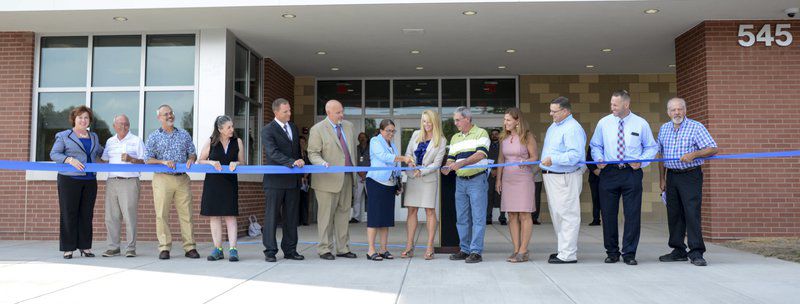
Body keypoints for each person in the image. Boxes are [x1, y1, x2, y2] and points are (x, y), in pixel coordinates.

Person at [590, 90, 659, 266]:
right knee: (608, 214)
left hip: (631, 173)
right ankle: (612, 252)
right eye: (611, 103)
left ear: (626, 105)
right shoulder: (603, 123)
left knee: (632, 214)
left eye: (615, 104)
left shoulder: (640, 123)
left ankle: (629, 253)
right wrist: (598, 158)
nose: (611, 107)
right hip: (609, 173)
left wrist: (642, 162)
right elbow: (595, 145)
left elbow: (651, 147)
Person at [657, 97, 718, 266]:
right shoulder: (664, 129)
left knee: (691, 213)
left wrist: (694, 154)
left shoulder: (696, 127)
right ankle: (678, 250)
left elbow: (713, 148)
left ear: (685, 110)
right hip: (672, 176)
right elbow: (660, 156)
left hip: (691, 175)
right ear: (668, 112)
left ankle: (697, 252)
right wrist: (662, 179)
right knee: (674, 214)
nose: (677, 112)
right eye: (673, 110)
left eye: (680, 109)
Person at [145, 104, 199, 260]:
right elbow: (148, 159)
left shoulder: (184, 134)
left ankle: (190, 247)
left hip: (182, 178)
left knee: (187, 214)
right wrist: (163, 162)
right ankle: (164, 248)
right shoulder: (154, 136)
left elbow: (192, 153)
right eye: (165, 114)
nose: (169, 116)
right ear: (159, 118)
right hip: (162, 178)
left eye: (171, 113)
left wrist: (190, 159)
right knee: (161, 214)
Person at [50, 106, 104, 259]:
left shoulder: (93, 136)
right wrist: (69, 159)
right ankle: (68, 248)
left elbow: (101, 152)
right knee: (69, 213)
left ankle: (85, 247)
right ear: (74, 119)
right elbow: (54, 154)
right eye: (80, 117)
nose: (83, 120)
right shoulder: (64, 136)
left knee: (86, 215)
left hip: (90, 180)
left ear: (90, 121)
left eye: (86, 117)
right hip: (69, 179)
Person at [307, 100, 358, 260]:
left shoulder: (349, 126)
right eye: (338, 113)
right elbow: (313, 153)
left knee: (344, 214)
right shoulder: (318, 129)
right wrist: (322, 163)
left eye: (342, 111)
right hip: (326, 180)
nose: (341, 115)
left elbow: (350, 152)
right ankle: (324, 249)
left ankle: (343, 248)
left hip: (347, 177)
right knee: (326, 217)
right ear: (328, 112)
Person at [441, 106, 490, 264]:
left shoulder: (481, 133)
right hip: (460, 182)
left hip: (477, 180)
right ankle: (464, 249)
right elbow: (451, 158)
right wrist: (448, 167)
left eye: (457, 120)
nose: (455, 123)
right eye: (455, 120)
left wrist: (461, 163)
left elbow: (480, 154)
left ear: (467, 119)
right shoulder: (455, 138)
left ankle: (476, 251)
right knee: (462, 218)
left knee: (478, 217)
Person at [540, 96, 586, 264]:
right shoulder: (555, 126)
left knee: (568, 215)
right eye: (551, 110)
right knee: (558, 215)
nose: (551, 113)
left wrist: (554, 159)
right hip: (552, 176)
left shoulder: (572, 128)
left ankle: (568, 255)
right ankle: (563, 250)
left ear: (566, 111)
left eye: (555, 111)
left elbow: (575, 155)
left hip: (565, 177)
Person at [261, 98, 305, 262]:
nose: (289, 113)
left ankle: (290, 250)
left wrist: (300, 168)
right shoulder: (267, 130)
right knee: (271, 217)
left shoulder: (293, 127)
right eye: (285, 111)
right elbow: (273, 153)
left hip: (293, 181)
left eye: (290, 110)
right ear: (276, 112)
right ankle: (270, 251)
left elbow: (297, 153)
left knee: (292, 217)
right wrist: (291, 162)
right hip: (275, 182)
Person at [364, 119, 415, 261]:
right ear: (381, 130)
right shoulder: (375, 141)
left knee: (386, 219)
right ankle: (371, 250)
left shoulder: (392, 144)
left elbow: (396, 164)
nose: (391, 133)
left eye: (393, 131)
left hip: (389, 184)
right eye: (388, 130)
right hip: (376, 182)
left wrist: (399, 182)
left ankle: (383, 249)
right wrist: (404, 158)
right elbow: (384, 157)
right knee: (374, 217)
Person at [401, 110, 447, 260]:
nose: (426, 125)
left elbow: (437, 164)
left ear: (435, 122)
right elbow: (408, 153)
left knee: (429, 211)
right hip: (413, 177)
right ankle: (409, 246)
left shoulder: (441, 140)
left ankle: (429, 247)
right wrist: (411, 163)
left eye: (429, 121)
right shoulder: (415, 135)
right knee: (411, 211)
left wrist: (422, 171)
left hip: (428, 179)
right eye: (424, 121)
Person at [495, 108, 539, 263]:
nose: (505, 123)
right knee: (511, 214)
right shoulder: (503, 138)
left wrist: (525, 161)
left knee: (524, 214)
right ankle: (515, 249)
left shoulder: (527, 137)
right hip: (508, 179)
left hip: (523, 178)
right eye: (504, 120)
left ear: (517, 121)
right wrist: (498, 180)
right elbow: (501, 159)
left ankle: (524, 250)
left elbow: (534, 157)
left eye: (508, 120)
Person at [199, 115, 245, 262]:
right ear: (220, 129)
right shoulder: (211, 142)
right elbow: (200, 160)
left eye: (232, 126)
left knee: (230, 216)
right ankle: (217, 249)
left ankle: (233, 250)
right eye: (229, 127)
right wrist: (211, 162)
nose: (232, 129)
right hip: (213, 183)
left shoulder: (237, 141)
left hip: (230, 183)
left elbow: (243, 162)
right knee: (214, 216)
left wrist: (236, 163)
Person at [101, 114, 145, 258]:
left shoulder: (136, 140)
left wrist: (132, 159)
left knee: (129, 216)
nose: (123, 126)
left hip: (130, 182)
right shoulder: (110, 141)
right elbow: (104, 161)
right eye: (120, 124)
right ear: (114, 126)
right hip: (112, 181)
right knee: (111, 216)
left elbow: (145, 162)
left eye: (126, 124)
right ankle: (113, 247)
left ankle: (130, 248)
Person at [486, 129, 504, 225]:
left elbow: (503, 158)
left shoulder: (503, 146)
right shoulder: (487, 146)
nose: (494, 136)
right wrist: (492, 169)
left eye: (496, 134)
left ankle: (502, 217)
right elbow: (485, 158)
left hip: (501, 174)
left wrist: (497, 170)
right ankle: (488, 218)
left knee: (501, 196)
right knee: (489, 196)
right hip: (489, 175)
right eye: (492, 134)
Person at [351, 132, 369, 223]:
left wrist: (366, 174)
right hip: (358, 175)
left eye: (364, 137)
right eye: (360, 137)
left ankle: (372, 217)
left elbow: (373, 161)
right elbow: (353, 161)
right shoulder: (355, 149)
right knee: (357, 197)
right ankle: (356, 217)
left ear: (367, 138)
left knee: (370, 197)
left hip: (369, 175)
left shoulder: (371, 148)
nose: (362, 139)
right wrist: (360, 173)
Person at [586, 146, 602, 226]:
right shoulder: (593, 144)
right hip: (594, 177)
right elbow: (588, 159)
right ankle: (596, 219)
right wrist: (594, 170)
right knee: (595, 198)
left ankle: (607, 220)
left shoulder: (609, 141)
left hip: (607, 176)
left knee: (607, 199)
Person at [298, 136, 311, 226]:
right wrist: (301, 177)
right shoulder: (296, 154)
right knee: (298, 200)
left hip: (306, 181)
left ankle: (305, 220)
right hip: (298, 180)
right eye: (300, 142)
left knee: (305, 200)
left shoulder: (306, 154)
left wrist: (306, 176)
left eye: (303, 142)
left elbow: (310, 165)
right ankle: (298, 220)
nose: (302, 144)